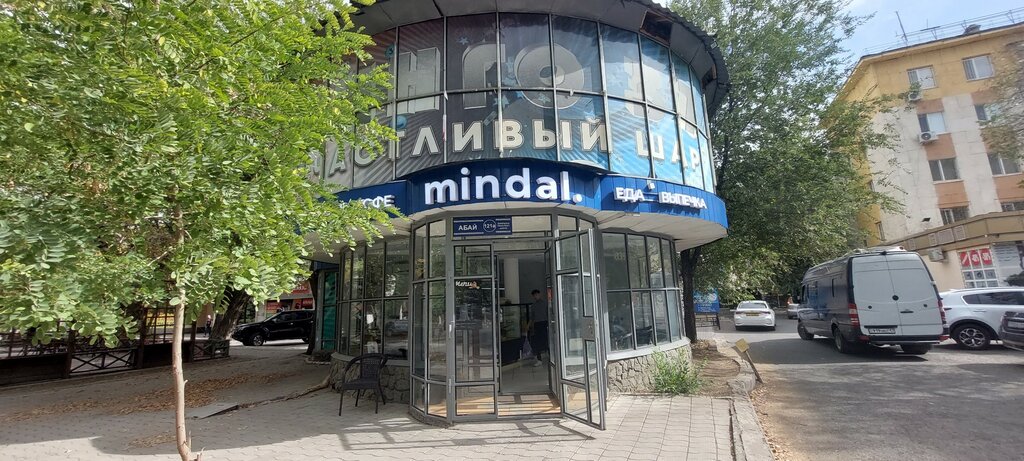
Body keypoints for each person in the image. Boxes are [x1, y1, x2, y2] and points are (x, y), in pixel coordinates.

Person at [528, 289, 549, 367]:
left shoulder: (545, 303)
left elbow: (549, 313)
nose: (536, 296)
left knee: (547, 340)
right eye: (534, 295)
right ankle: (539, 360)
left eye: (537, 295)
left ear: (539, 294)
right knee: (537, 343)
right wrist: (529, 325)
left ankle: (551, 357)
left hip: (545, 323)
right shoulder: (533, 305)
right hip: (537, 324)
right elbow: (532, 317)